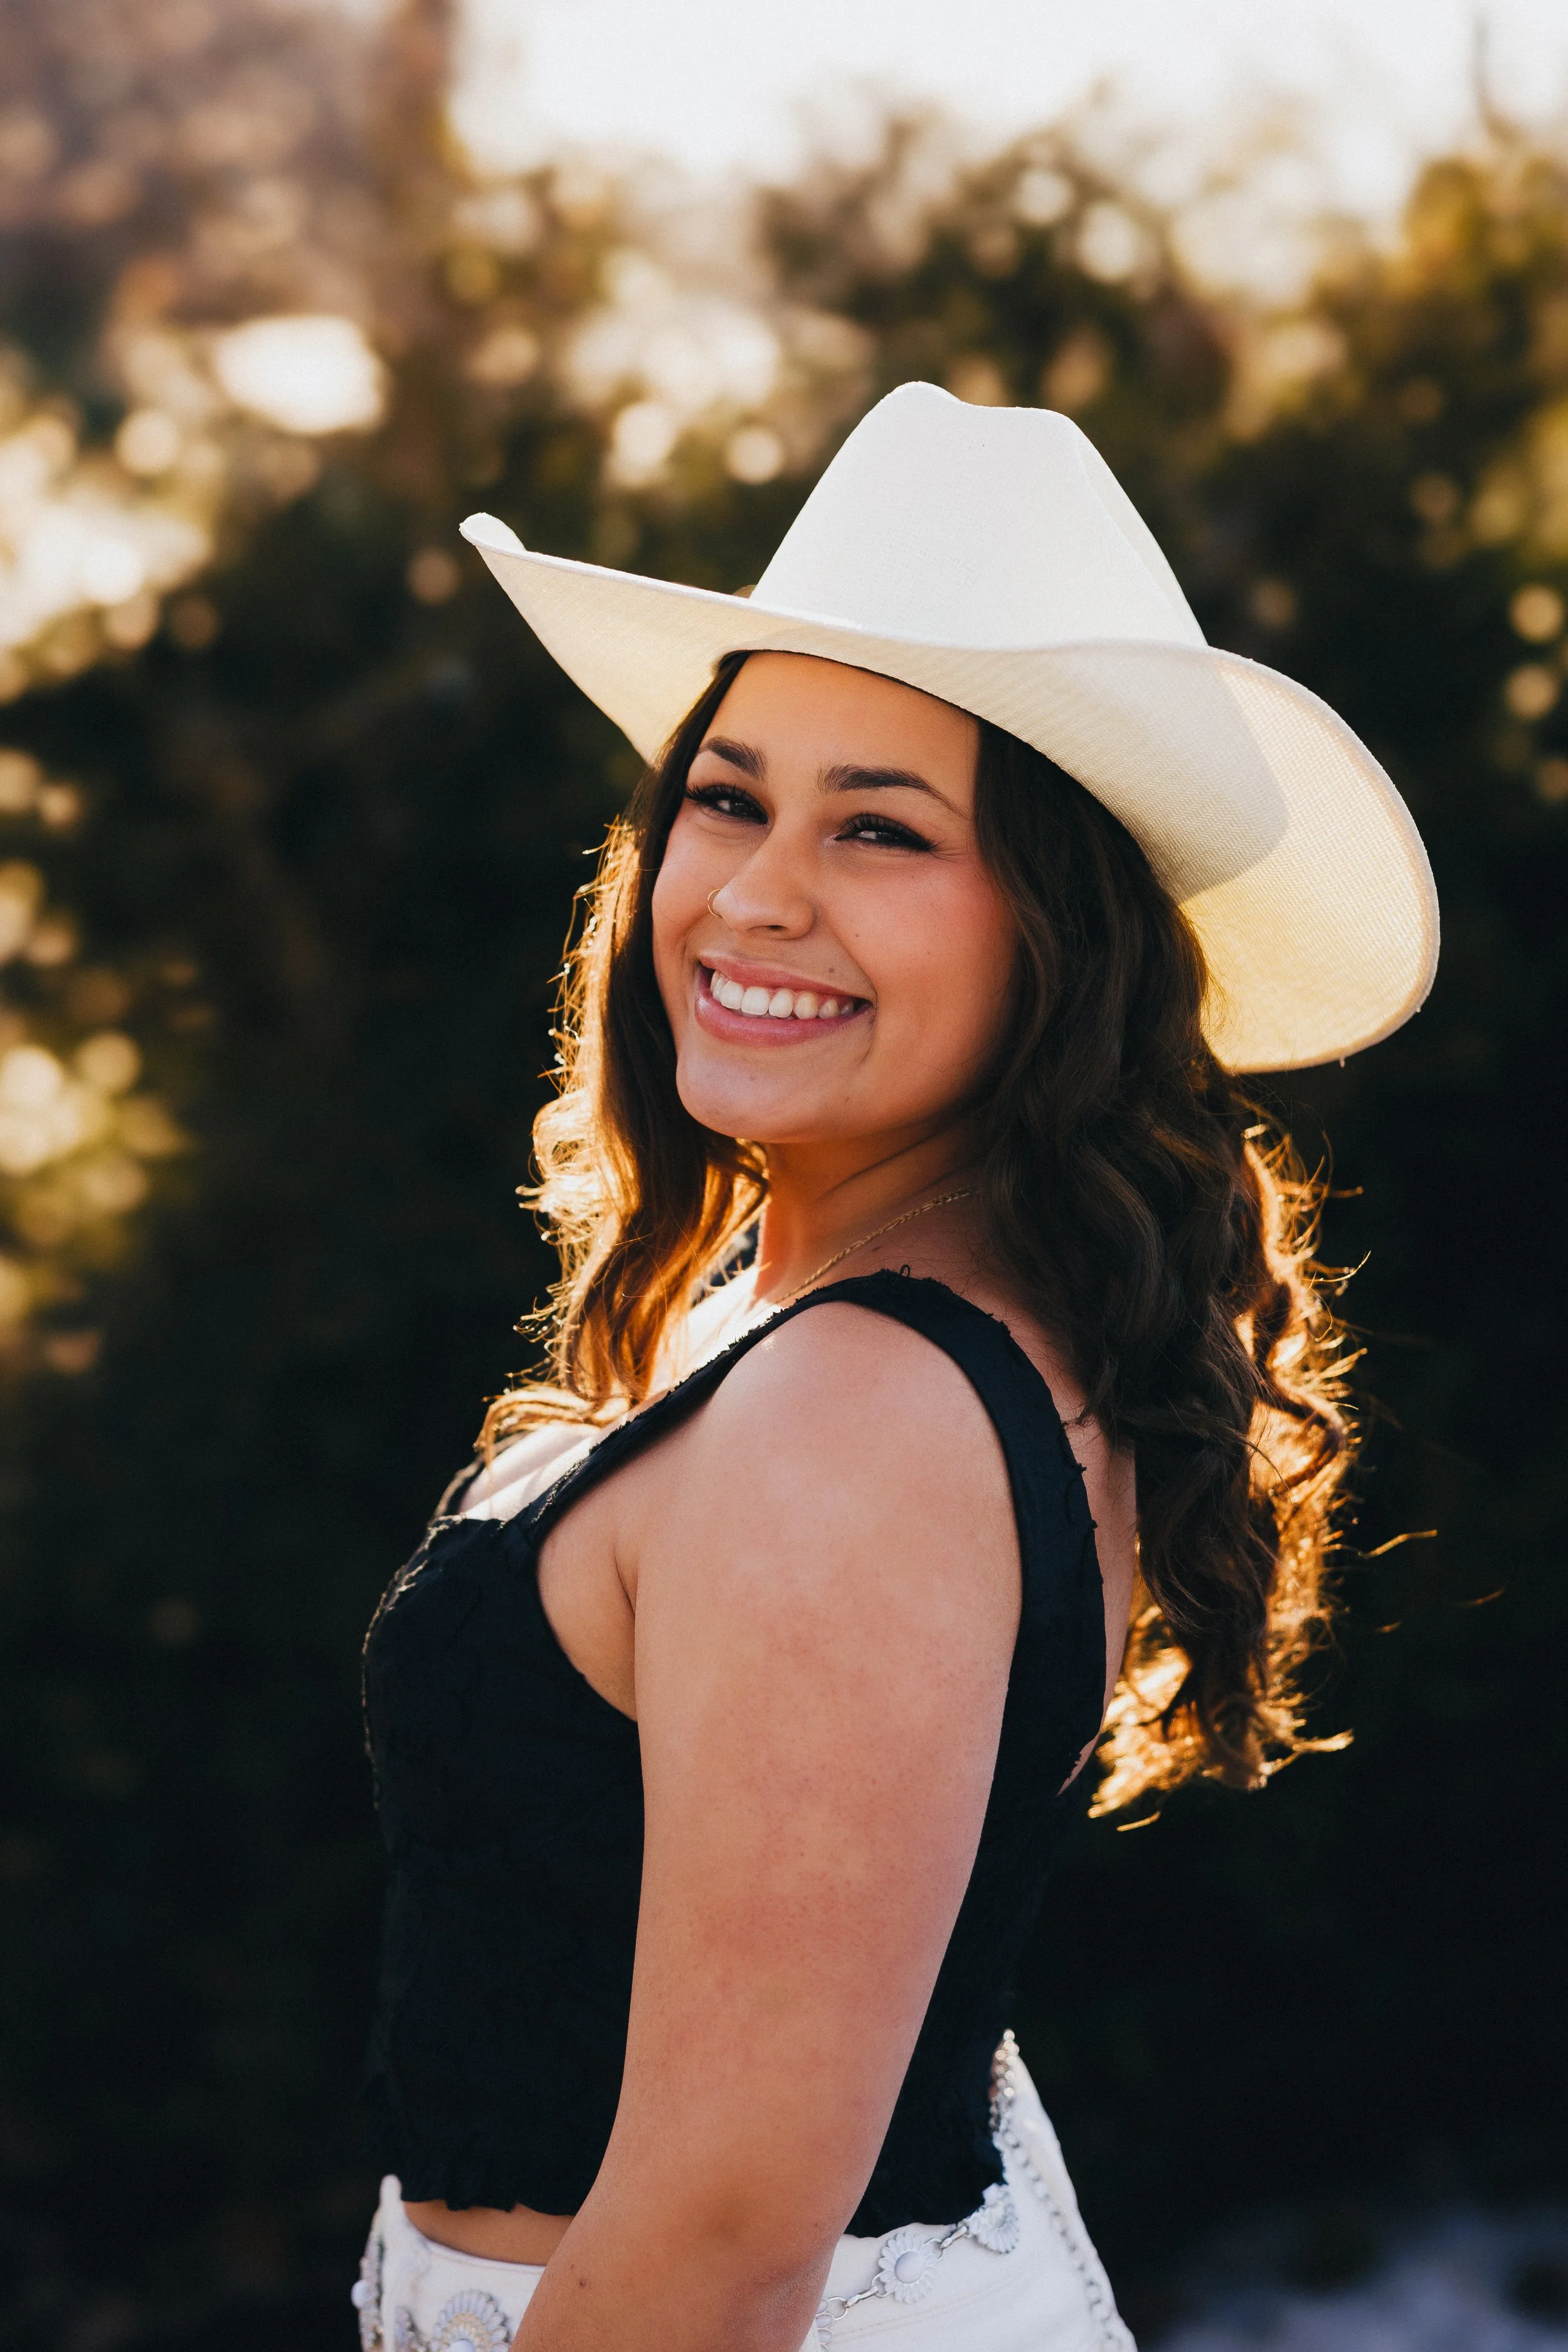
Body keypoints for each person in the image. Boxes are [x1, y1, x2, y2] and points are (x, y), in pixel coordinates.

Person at [354, 384, 1438, 2352]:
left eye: (880, 827)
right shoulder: (882, 1331)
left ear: (1057, 932)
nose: (762, 889)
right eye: (727, 793)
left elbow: (727, 2227)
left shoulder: (857, 1411)